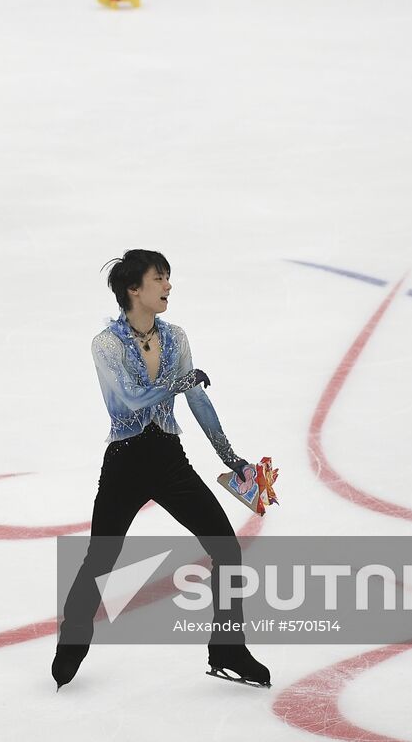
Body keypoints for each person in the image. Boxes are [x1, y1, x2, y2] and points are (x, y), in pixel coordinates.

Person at [53, 250, 271, 690]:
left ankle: (228, 648)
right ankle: (72, 641)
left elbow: (198, 400)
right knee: (101, 558)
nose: (168, 286)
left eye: (168, 277)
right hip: (126, 464)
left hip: (169, 459)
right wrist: (178, 383)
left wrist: (232, 460)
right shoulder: (106, 345)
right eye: (160, 278)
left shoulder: (176, 338)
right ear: (134, 289)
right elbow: (132, 399)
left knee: (226, 549)